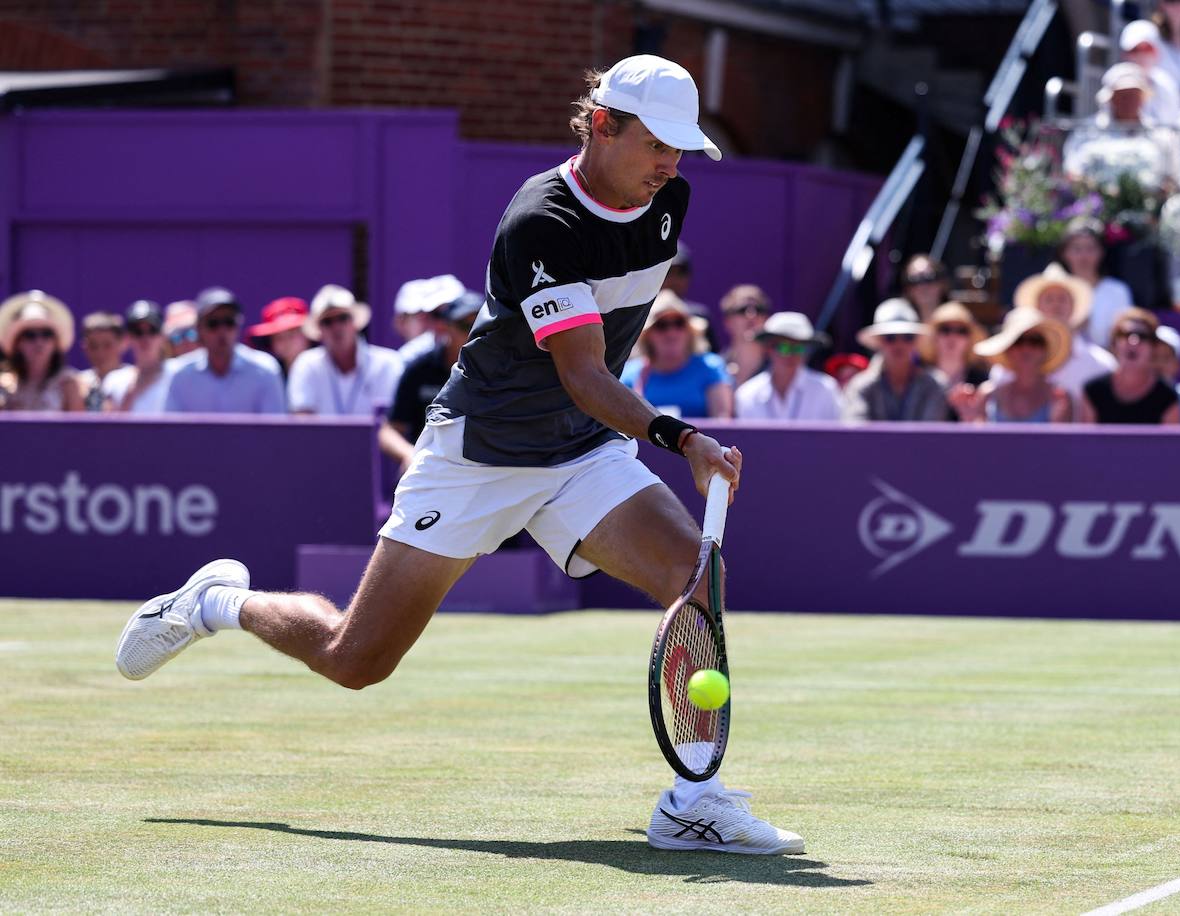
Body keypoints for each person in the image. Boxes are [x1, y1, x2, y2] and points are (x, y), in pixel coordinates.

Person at [116, 55, 801, 856]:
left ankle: (695, 801)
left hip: (580, 451)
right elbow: (582, 374)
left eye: (681, 150)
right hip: (480, 452)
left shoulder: (667, 199)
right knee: (354, 659)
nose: (669, 166)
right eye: (656, 144)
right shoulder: (541, 220)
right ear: (603, 125)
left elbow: (603, 358)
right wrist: (681, 437)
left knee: (697, 579)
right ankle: (215, 604)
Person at [380, 292, 482, 472]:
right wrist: (409, 454)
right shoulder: (419, 369)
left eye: (480, 326)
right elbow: (389, 431)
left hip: (479, 471)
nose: (472, 334)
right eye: (465, 326)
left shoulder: (499, 370)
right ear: (446, 327)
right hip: (427, 470)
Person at [163, 287, 286, 414]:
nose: (222, 331)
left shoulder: (265, 371)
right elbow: (171, 431)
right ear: (199, 329)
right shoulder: (181, 376)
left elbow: (275, 431)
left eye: (229, 322)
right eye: (213, 324)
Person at [287, 284, 404, 417]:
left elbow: (394, 423)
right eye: (327, 321)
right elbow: (303, 423)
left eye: (343, 318)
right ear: (319, 330)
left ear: (355, 322)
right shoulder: (306, 365)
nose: (336, 327)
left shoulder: (388, 364)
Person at [620, 290, 732, 419]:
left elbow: (722, 421)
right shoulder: (629, 374)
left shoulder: (711, 367)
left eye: (679, 324)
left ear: (689, 332)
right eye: (662, 326)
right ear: (647, 336)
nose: (671, 333)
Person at [1010, 265, 1117, 396]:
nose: (1056, 305)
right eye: (1049, 299)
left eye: (1062, 299)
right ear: (1036, 306)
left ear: (1073, 307)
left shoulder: (1102, 365)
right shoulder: (1012, 360)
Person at [954, 308, 1074, 424]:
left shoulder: (1060, 398)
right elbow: (977, 441)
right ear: (1007, 349)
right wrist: (968, 418)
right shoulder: (988, 396)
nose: (1026, 348)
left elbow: (1061, 444)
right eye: (1018, 341)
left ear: (1045, 350)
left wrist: (1058, 422)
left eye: (1035, 341)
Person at [844, 299, 947, 422]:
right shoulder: (860, 386)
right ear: (878, 342)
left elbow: (930, 435)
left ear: (916, 342)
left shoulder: (934, 384)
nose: (899, 344)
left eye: (908, 337)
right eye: (890, 338)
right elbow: (856, 432)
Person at [735, 311, 842, 421]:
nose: (791, 355)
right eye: (784, 347)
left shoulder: (826, 390)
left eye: (798, 348)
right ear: (769, 348)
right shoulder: (748, 394)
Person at [1081, 309, 1180, 424]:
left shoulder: (1167, 395)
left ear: (1153, 348)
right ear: (1114, 344)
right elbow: (1087, 440)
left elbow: (1171, 441)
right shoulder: (1093, 391)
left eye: (1142, 336)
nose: (1133, 341)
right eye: (1125, 334)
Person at [1058, 219, 1136, 351]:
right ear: (1064, 253)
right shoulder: (1053, 290)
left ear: (1101, 252)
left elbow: (1124, 338)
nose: (1084, 256)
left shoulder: (1117, 291)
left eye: (1090, 248)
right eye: (1077, 249)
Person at [0, 290, 83, 411]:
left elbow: (79, 428)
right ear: (17, 343)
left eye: (46, 334)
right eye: (29, 335)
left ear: (55, 342)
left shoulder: (68, 384)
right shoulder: (5, 385)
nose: (39, 342)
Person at [921, 301, 990, 420]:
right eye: (945, 329)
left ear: (970, 339)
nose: (952, 337)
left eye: (961, 331)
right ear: (934, 336)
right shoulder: (919, 378)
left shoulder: (982, 381)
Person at [102, 300, 173, 413]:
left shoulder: (178, 375)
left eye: (152, 330)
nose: (145, 338)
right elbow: (109, 427)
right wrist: (133, 391)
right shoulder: (114, 380)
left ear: (163, 336)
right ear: (128, 337)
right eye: (138, 332)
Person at [1121, 20, 1180, 124]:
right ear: (1124, 54)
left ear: (1157, 52)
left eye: (1147, 49)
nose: (1141, 56)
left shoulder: (1167, 84)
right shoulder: (1113, 81)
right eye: (1135, 50)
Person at [394, 275, 466, 365]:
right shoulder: (405, 361)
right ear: (400, 322)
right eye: (422, 316)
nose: (441, 324)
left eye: (452, 311)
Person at [718, 284, 771, 384]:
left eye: (758, 309)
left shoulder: (779, 369)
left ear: (766, 319)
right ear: (727, 321)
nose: (751, 315)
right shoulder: (713, 370)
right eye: (742, 309)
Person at [76, 311, 128, 411]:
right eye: (93, 345)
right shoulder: (77, 384)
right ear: (84, 347)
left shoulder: (134, 379)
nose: (100, 353)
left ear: (122, 343)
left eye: (107, 345)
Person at [248, 296, 312, 373]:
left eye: (292, 334)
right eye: (279, 338)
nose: (287, 342)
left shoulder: (326, 365)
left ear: (308, 335)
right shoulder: (267, 375)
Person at [899, 254, 950, 322]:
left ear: (941, 283)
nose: (922, 286)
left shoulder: (957, 322)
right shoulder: (900, 322)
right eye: (914, 280)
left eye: (929, 278)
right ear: (907, 288)